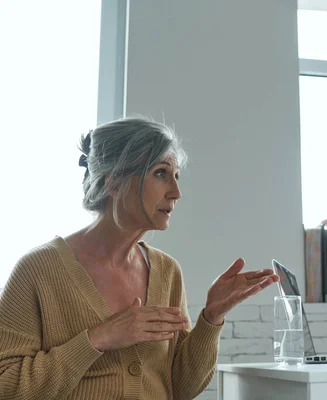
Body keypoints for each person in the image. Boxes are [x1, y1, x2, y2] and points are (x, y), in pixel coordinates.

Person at [0, 117, 279, 399]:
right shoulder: (38, 270)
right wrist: (98, 338)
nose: (176, 192)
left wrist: (212, 317)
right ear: (114, 182)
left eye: (176, 176)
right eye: (160, 173)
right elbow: (6, 386)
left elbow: (181, 388)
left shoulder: (168, 271)